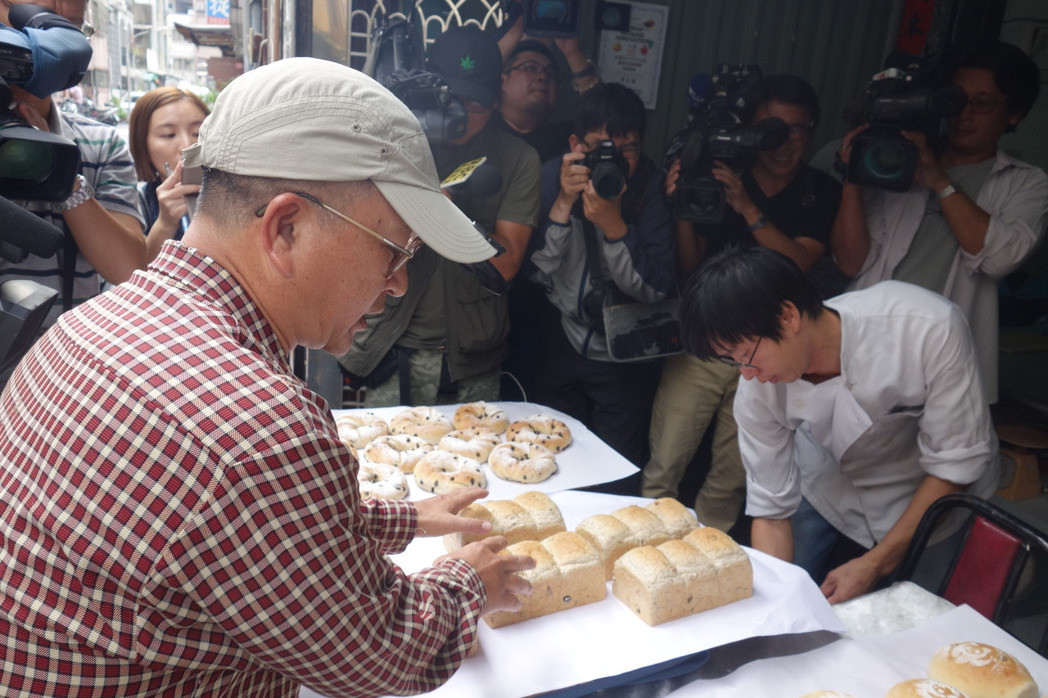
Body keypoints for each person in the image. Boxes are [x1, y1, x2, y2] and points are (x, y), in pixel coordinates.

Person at [0, 57, 534, 696]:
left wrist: (405, 518)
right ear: (285, 228)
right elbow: (381, 653)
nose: (396, 285)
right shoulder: (258, 428)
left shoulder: (90, 326)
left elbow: (222, 536)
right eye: (396, 251)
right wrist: (470, 580)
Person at [679, 246, 999, 603]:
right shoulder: (757, 386)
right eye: (733, 362)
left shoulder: (926, 327)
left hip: (928, 493)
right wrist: (773, 605)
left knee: (924, 608)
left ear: (787, 317)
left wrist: (874, 563)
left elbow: (953, 466)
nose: (747, 375)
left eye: (747, 356)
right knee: (789, 595)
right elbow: (771, 512)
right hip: (828, 482)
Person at [642, 74, 841, 532]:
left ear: (811, 132)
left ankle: (709, 555)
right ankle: (646, 550)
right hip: (711, 341)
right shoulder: (720, 172)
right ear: (750, 129)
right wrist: (684, 210)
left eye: (796, 129)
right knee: (666, 459)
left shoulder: (819, 189)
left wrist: (749, 208)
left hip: (774, 351)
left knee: (733, 475)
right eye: (771, 129)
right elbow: (691, 264)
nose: (783, 142)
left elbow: (800, 262)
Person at [832, 41, 1048, 405]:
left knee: (926, 460)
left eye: (983, 103)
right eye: (956, 99)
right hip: (866, 343)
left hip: (941, 361)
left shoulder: (1027, 182)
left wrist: (939, 180)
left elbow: (998, 259)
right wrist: (855, 177)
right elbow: (851, 262)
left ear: (1014, 114)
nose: (964, 114)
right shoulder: (899, 160)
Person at [338, 25, 540, 407]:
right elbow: (348, 234)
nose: (464, 112)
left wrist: (444, 210)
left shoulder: (517, 158)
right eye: (452, 97)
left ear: (497, 97)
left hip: (470, 350)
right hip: (390, 342)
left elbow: (506, 264)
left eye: (476, 102)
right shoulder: (388, 140)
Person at [528, 81, 674, 475]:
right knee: (551, 456)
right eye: (598, 147)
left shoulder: (648, 185)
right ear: (575, 144)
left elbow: (657, 286)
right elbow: (533, 272)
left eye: (626, 148)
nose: (614, 158)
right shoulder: (551, 177)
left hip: (625, 351)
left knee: (616, 466)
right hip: (563, 337)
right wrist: (562, 203)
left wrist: (615, 227)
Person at [0, 0, 145, 325]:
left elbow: (130, 270)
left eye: (72, 29)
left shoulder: (100, 144)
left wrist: (62, 175)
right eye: (32, 24)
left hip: (66, 367)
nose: (59, 45)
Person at [128, 86, 210, 261]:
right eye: (168, 135)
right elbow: (139, 271)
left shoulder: (231, 189)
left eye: (198, 133)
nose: (187, 145)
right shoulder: (138, 201)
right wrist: (165, 223)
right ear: (143, 144)